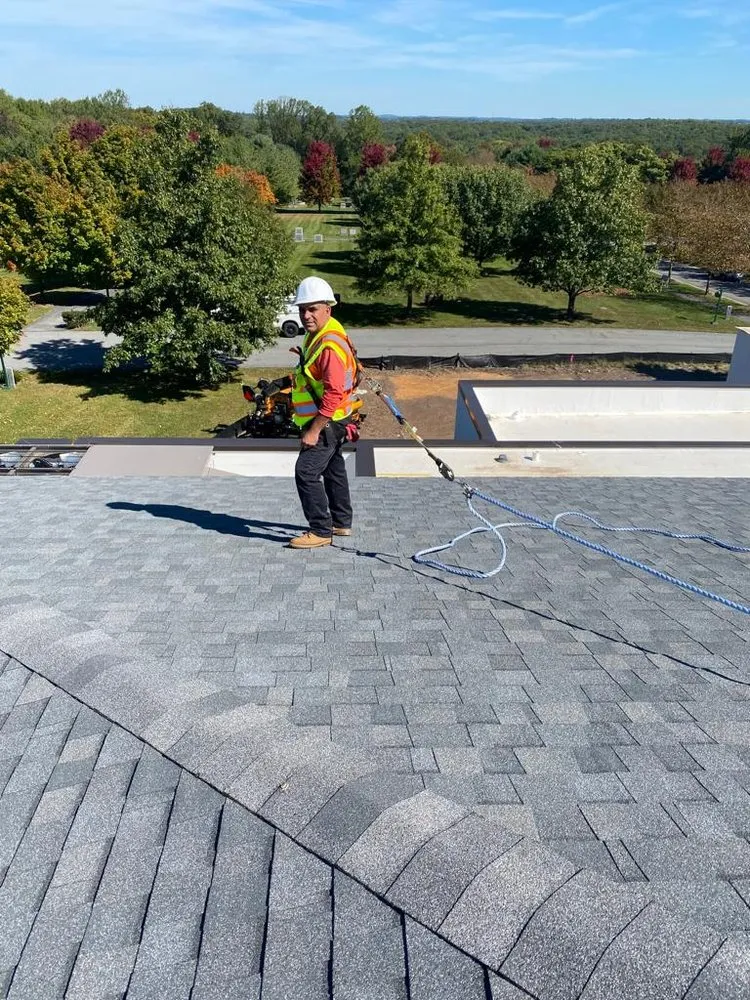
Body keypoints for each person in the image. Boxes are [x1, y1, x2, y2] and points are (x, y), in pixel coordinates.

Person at [284, 276, 359, 549]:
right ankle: (341, 522)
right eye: (302, 309)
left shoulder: (328, 345)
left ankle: (320, 530)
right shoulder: (325, 333)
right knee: (333, 468)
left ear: (328, 308)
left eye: (313, 308)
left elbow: (333, 392)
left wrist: (314, 429)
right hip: (338, 418)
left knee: (305, 472)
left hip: (327, 420)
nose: (306, 315)